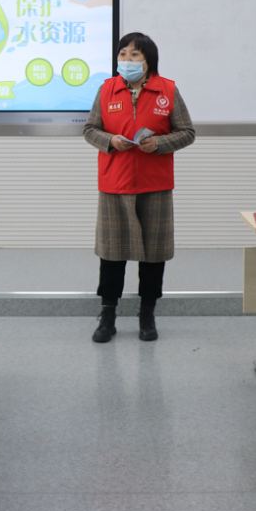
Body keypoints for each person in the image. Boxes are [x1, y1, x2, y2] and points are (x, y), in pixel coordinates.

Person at [83, 32, 195, 343]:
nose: (127, 60)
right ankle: (108, 315)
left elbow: (187, 132)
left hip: (155, 184)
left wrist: (158, 143)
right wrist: (110, 140)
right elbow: (90, 129)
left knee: (153, 255)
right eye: (123, 54)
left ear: (148, 61)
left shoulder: (167, 90)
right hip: (114, 183)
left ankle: (147, 314)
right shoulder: (107, 89)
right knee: (112, 253)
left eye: (134, 55)